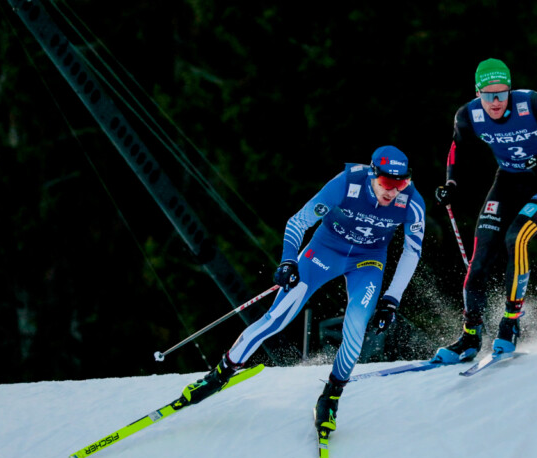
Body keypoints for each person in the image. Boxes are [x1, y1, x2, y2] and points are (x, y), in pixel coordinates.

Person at [178, 145, 426, 435]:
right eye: (386, 183)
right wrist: (288, 260)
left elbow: (412, 252)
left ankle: (331, 397)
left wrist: (391, 300)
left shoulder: (412, 202)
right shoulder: (347, 183)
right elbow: (298, 222)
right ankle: (218, 376)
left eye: (401, 183)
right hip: (324, 251)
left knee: (357, 327)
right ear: (373, 174)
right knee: (277, 318)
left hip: (368, 262)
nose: (393, 191)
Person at [431, 57, 537, 363]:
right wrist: (450, 185)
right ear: (478, 93)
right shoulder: (468, 115)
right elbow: (456, 149)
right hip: (507, 182)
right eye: (488, 94)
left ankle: (510, 322)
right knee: (480, 257)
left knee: (516, 238)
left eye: (501, 94)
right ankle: (470, 336)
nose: (495, 102)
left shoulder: (534, 104)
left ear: (510, 90)